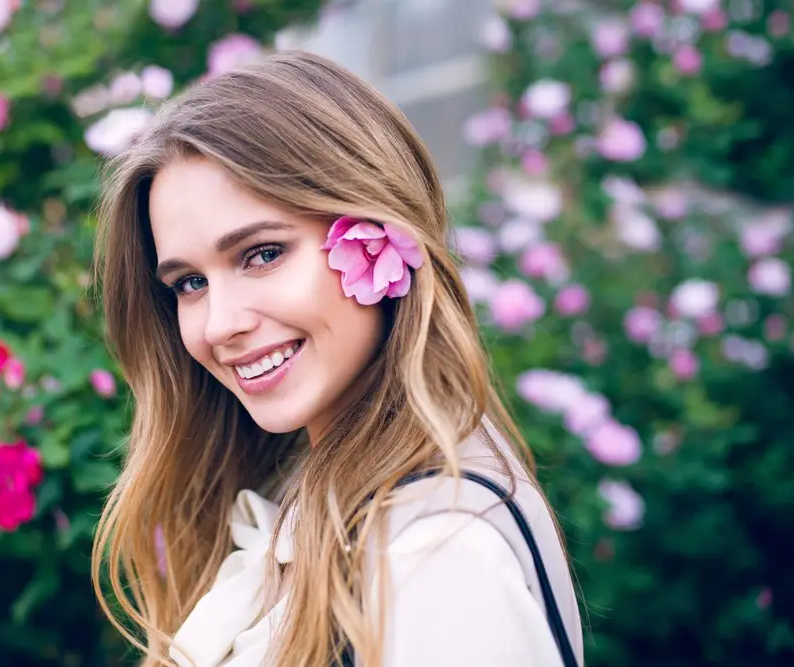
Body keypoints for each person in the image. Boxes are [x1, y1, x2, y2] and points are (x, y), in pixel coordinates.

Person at [90, 50, 583, 667]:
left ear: (380, 237)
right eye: (190, 283)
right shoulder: (316, 499)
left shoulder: (436, 553)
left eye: (263, 254)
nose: (220, 324)